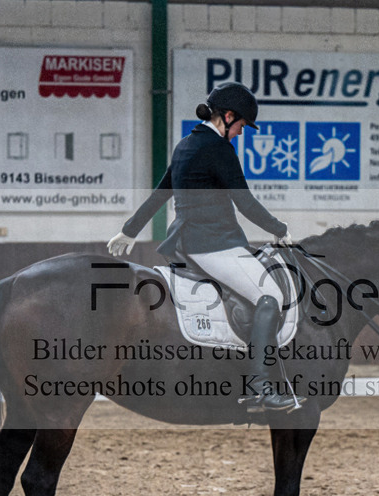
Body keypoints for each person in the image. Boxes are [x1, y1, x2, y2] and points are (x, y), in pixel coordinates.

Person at [108, 82, 301, 413]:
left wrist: (129, 231)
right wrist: (279, 229)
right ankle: (259, 387)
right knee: (269, 298)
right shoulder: (218, 149)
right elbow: (244, 201)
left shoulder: (185, 145)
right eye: (241, 125)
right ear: (228, 116)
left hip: (186, 244)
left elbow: (161, 191)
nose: (240, 133)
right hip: (213, 245)